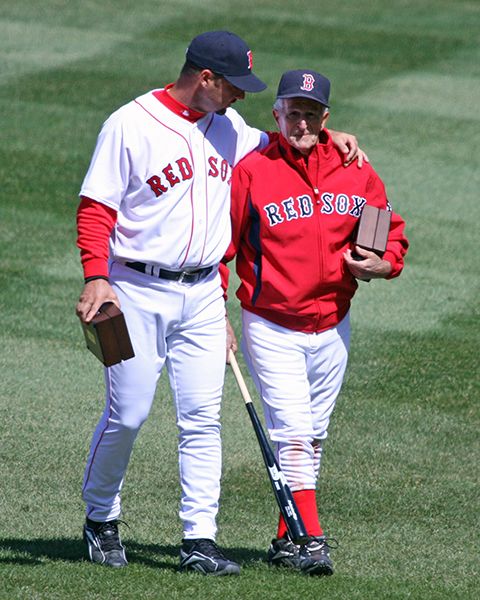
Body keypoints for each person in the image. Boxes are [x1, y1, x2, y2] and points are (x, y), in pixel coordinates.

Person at [75, 30, 365, 576]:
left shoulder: (229, 127)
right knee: (128, 413)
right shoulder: (130, 124)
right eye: (233, 86)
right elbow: (95, 209)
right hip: (134, 291)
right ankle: (100, 519)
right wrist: (96, 277)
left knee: (204, 419)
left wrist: (331, 136)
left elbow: (283, 145)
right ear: (204, 78)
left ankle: (199, 540)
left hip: (205, 294)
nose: (241, 97)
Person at [221, 69, 409, 576]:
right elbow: (225, 247)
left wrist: (385, 263)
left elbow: (388, 231)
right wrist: (216, 309)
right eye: (291, 111)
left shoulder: (356, 170)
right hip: (272, 323)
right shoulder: (253, 171)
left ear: (325, 118)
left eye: (310, 112)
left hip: (333, 325)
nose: (300, 122)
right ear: (276, 113)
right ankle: (311, 539)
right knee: (295, 433)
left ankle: (287, 540)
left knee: (313, 434)